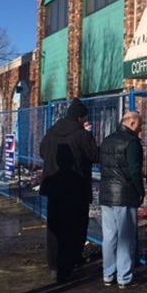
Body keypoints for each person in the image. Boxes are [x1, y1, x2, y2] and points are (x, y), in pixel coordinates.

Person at [39, 98, 98, 283]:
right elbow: (94, 155)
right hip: (76, 189)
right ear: (80, 117)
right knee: (75, 228)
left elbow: (42, 152)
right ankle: (68, 265)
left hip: (54, 188)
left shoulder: (52, 131)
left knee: (55, 227)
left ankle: (54, 264)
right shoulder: (82, 135)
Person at [99, 111, 145, 289]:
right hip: (125, 194)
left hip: (106, 193)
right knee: (126, 237)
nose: (141, 128)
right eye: (140, 124)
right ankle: (124, 278)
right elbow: (134, 170)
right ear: (132, 123)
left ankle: (108, 274)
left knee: (109, 236)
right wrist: (140, 191)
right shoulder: (132, 143)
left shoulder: (107, 140)